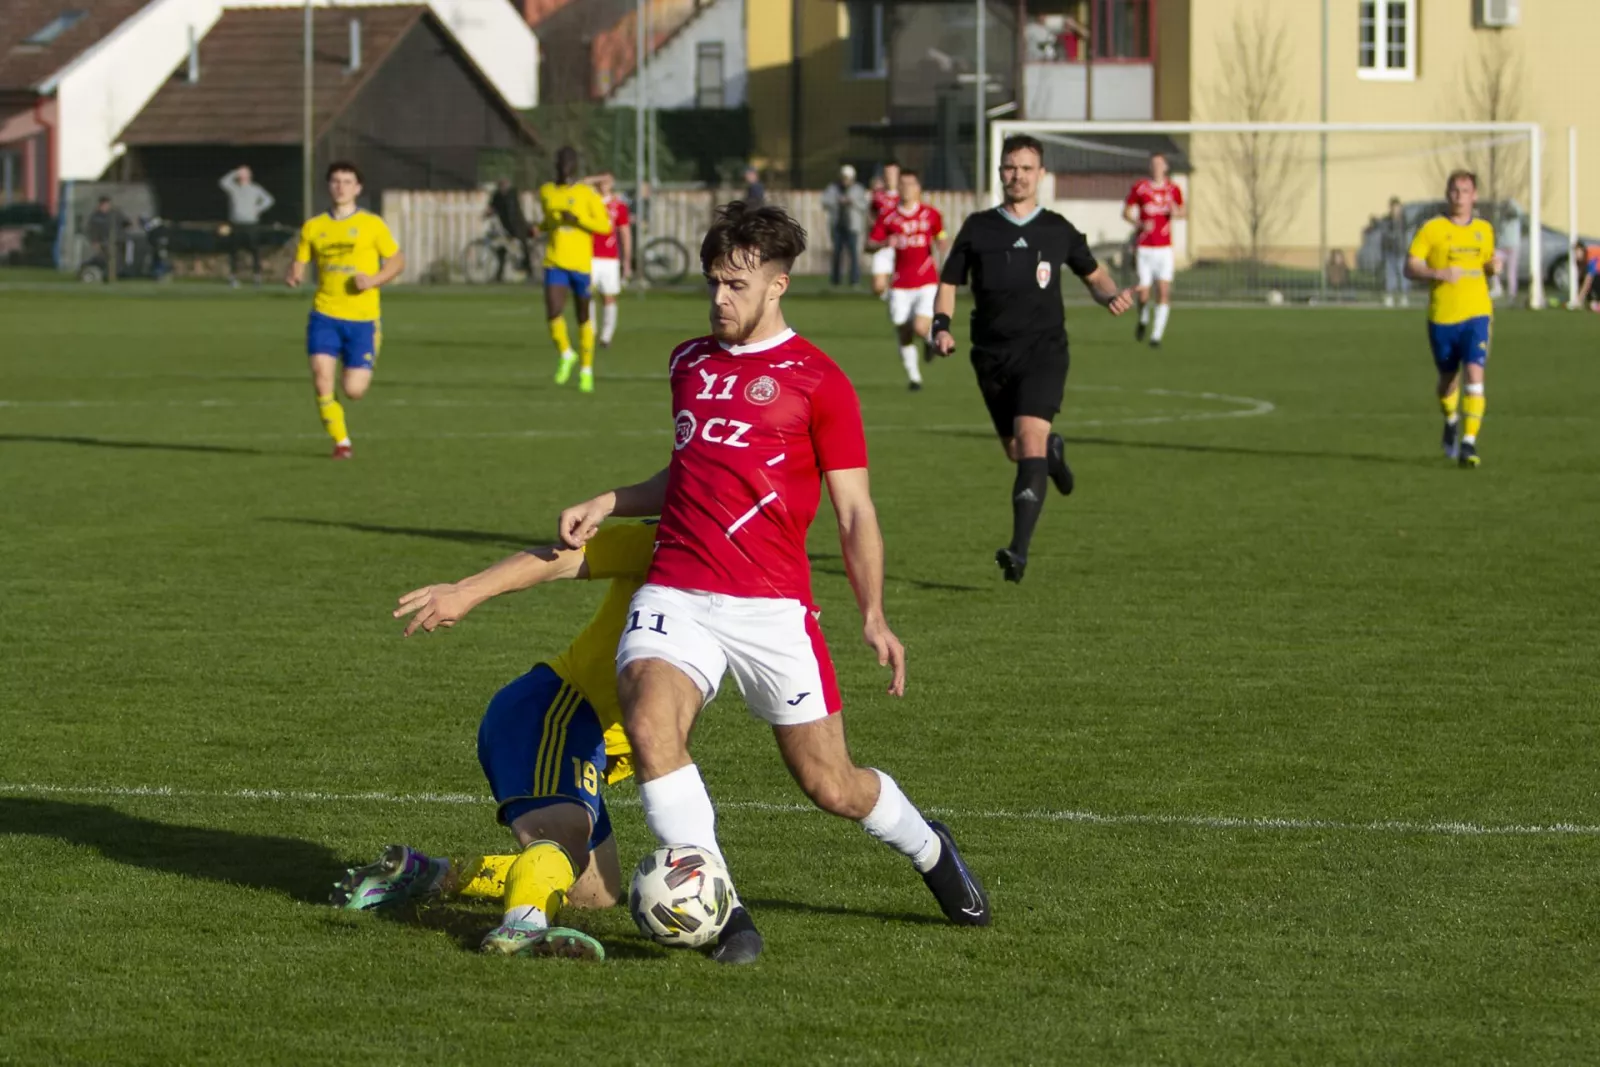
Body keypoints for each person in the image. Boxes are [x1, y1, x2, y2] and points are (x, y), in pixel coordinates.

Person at [555, 201, 992, 965]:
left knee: (831, 784)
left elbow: (854, 511)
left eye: (736, 285)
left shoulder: (820, 381)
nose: (719, 298)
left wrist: (874, 614)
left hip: (772, 605)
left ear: (777, 285)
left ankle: (930, 847)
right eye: (713, 283)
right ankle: (724, 913)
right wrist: (610, 500)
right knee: (652, 726)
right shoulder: (688, 363)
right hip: (677, 589)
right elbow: (691, 468)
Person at [333, 522, 662, 963]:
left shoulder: (748, 586)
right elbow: (562, 558)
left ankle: (424, 874)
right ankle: (523, 927)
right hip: (558, 711)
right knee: (563, 837)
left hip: (586, 737)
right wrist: (466, 591)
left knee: (595, 892)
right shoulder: (670, 539)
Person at [933, 134, 1135, 583]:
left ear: (1041, 174)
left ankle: (1018, 551)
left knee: (1028, 440)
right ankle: (1053, 457)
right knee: (1018, 451)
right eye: (1011, 167)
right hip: (990, 356)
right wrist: (941, 326)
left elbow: (1095, 274)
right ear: (1000, 172)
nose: (1018, 176)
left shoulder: (1057, 229)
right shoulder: (979, 227)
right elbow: (949, 282)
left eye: (1026, 168)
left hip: (1043, 352)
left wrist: (1110, 296)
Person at [285, 162, 405, 460]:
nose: (341, 187)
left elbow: (397, 260)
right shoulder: (313, 227)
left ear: (358, 188)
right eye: (336, 181)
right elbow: (300, 259)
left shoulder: (372, 224)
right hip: (324, 314)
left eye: (347, 181)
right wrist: (295, 272)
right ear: (329, 186)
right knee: (321, 379)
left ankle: (355, 370)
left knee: (353, 390)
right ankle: (342, 442)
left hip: (363, 320)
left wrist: (374, 280)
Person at [1405, 169, 1500, 468]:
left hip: (1477, 313)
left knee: (1474, 372)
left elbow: (1486, 263)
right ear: (1448, 194)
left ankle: (1469, 443)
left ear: (1475, 196)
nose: (1460, 197)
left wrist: (1492, 267)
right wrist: (1438, 273)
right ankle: (1451, 419)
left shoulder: (1484, 230)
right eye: (1455, 191)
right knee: (1448, 380)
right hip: (1443, 317)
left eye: (1465, 191)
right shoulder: (1432, 229)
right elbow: (1410, 267)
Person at [864, 169, 947, 391]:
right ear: (898, 188)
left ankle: (928, 341)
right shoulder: (889, 217)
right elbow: (869, 245)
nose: (907, 188)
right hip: (900, 283)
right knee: (903, 331)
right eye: (903, 184)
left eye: (911, 184)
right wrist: (884, 243)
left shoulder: (931, 214)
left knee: (920, 327)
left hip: (927, 281)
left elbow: (941, 234)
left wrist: (942, 242)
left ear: (918, 188)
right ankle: (914, 377)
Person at [537, 146, 612, 394]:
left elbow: (604, 226)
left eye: (568, 162)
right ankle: (566, 353)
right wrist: (539, 227)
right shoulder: (547, 191)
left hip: (580, 264)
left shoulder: (586, 194)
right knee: (553, 310)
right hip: (555, 260)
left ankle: (586, 370)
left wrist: (578, 220)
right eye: (561, 161)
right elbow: (549, 221)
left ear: (574, 166)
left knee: (583, 316)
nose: (564, 166)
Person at [1123, 152, 1184, 347]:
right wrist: (1140, 224)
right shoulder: (1141, 187)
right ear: (1150, 167)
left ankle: (1156, 336)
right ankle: (1143, 319)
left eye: (1160, 164)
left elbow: (1183, 211)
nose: (1157, 167)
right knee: (1143, 293)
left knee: (1164, 291)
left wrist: (1176, 212)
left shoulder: (1173, 189)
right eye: (1154, 164)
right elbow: (1126, 212)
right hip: (1145, 248)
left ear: (1166, 167)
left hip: (1164, 249)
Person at [587, 173, 632, 349]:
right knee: (587, 294)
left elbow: (625, 233)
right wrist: (595, 178)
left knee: (609, 296)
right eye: (601, 180)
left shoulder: (618, 205)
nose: (604, 183)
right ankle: (590, 331)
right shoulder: (589, 201)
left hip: (610, 258)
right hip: (589, 256)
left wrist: (626, 261)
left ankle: (606, 335)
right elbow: (578, 184)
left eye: (607, 181)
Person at [219, 166, 275, 287]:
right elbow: (223, 182)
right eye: (241, 173)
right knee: (234, 252)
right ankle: (233, 278)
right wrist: (234, 172)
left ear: (249, 175)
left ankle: (257, 277)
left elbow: (269, 200)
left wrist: (258, 209)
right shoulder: (234, 188)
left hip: (251, 224)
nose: (242, 175)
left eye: (245, 173)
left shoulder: (255, 189)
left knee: (255, 251)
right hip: (236, 224)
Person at [822, 164, 869, 287]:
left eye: (847, 178)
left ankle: (854, 280)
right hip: (837, 226)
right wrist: (837, 201)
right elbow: (825, 202)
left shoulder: (858, 189)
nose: (845, 180)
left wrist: (852, 202)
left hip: (852, 227)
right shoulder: (833, 188)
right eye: (844, 177)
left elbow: (864, 205)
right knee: (837, 253)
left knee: (853, 254)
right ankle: (835, 280)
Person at [485, 177, 533, 283]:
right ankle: (499, 275)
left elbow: (512, 209)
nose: (503, 187)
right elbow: (491, 207)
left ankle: (529, 271)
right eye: (501, 185)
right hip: (506, 226)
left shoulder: (512, 194)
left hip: (518, 224)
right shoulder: (497, 196)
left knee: (523, 246)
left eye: (504, 185)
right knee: (502, 249)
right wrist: (486, 214)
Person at [868, 160, 901, 298]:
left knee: (902, 283)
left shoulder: (904, 195)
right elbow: (871, 214)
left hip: (901, 244)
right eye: (887, 173)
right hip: (882, 243)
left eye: (893, 173)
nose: (890, 176)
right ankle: (890, 296)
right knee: (878, 288)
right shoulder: (878, 196)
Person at [85, 197, 129, 280]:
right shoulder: (95, 216)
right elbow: (92, 229)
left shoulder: (116, 214)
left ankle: (115, 275)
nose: (105, 206)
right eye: (103, 205)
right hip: (104, 241)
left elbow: (126, 222)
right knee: (106, 258)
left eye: (107, 204)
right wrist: (94, 241)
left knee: (117, 259)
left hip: (117, 240)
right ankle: (108, 275)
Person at [1380, 197, 1411, 308]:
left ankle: (1404, 296)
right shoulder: (1387, 220)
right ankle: (1390, 296)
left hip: (1401, 251)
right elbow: (1385, 234)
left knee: (1403, 274)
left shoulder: (1404, 220)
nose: (1396, 210)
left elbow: (1406, 234)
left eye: (1397, 207)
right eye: (1394, 208)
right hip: (1390, 251)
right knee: (1390, 274)